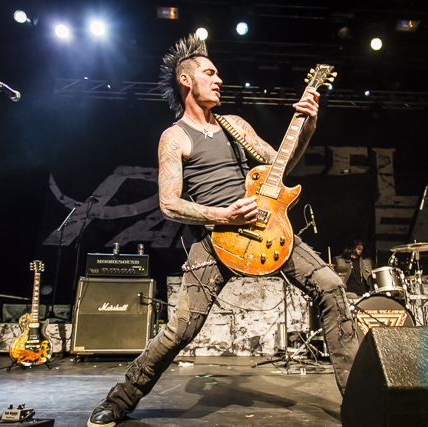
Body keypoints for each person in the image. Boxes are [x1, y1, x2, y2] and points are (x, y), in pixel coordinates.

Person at [88, 34, 360, 427]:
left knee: (331, 287)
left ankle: (360, 399)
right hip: (216, 238)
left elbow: (280, 165)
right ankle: (119, 400)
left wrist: (308, 126)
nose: (219, 80)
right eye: (210, 73)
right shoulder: (174, 137)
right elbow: (169, 203)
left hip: (268, 228)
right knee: (181, 330)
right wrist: (223, 215)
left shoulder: (235, 125)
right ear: (186, 80)